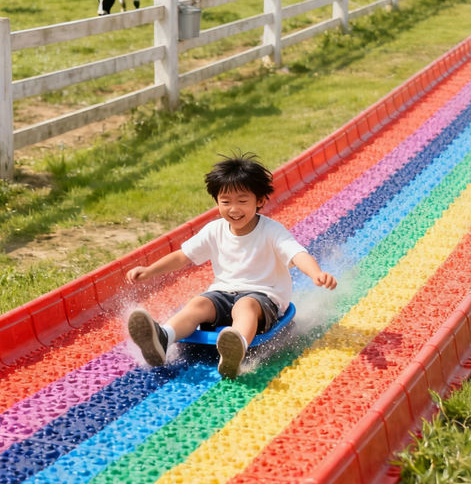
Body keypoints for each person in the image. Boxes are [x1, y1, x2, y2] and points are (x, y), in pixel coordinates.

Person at [126, 152, 337, 378]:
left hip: (263, 296)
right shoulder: (214, 230)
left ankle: (236, 347)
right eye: (226, 202)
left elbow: (297, 254)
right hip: (223, 292)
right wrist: (149, 271)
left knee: (245, 306)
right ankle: (163, 337)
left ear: (260, 201)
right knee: (199, 303)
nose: (234, 209)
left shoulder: (272, 231)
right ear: (217, 202)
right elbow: (182, 256)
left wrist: (316, 273)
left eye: (242, 201)